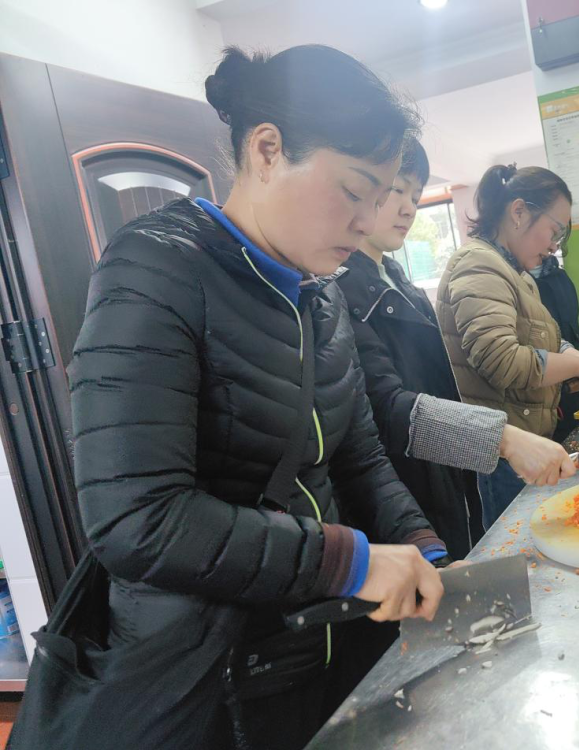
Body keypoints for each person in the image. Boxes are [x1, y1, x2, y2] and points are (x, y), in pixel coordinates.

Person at [66, 45, 446, 750]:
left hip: (322, 651)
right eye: (355, 190)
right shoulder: (156, 268)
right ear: (267, 149)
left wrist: (426, 550)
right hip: (213, 681)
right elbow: (136, 519)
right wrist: (353, 561)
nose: (368, 221)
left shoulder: (321, 297)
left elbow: (359, 457)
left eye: (381, 198)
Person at [327, 141, 577, 708]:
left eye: (414, 194)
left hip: (438, 492)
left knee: (469, 655)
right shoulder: (340, 290)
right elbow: (386, 410)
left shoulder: (397, 283)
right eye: (391, 189)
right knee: (420, 680)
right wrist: (502, 438)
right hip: (396, 504)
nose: (404, 206)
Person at [437, 164, 579, 527]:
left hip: (527, 445)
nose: (554, 245)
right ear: (519, 211)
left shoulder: (517, 274)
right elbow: (502, 360)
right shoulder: (478, 265)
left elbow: (543, 339)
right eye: (554, 230)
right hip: (504, 457)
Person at [531, 228, 579, 443]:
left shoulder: (560, 277)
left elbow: (566, 336)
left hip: (573, 393)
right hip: (540, 402)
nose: (555, 246)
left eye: (559, 238)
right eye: (552, 232)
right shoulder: (511, 283)